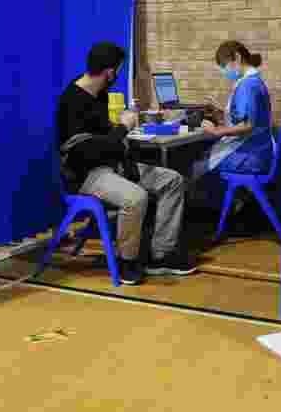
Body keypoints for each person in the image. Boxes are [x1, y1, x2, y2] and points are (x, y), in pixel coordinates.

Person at [57, 42, 197, 285]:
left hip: (111, 166)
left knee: (172, 180)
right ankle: (127, 261)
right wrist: (123, 127)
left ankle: (161, 254)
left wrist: (124, 147)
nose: (118, 75)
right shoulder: (72, 102)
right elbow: (87, 152)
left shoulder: (99, 94)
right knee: (135, 197)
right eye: (119, 70)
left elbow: (105, 140)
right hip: (86, 174)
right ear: (110, 72)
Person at [190, 41, 274, 219]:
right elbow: (243, 118)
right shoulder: (252, 82)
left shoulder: (248, 85)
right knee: (205, 156)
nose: (224, 71)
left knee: (197, 165)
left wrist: (216, 131)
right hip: (256, 150)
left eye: (224, 66)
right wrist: (221, 113)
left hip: (250, 155)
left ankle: (225, 211)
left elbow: (247, 125)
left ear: (237, 57)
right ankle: (236, 204)